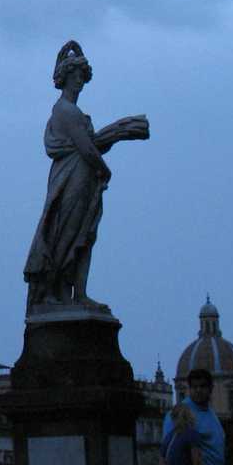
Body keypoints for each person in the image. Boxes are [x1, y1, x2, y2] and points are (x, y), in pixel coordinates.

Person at [23, 41, 149, 310]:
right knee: (65, 235)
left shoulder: (74, 112)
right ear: (65, 77)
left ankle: (78, 294)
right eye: (75, 76)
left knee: (84, 236)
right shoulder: (65, 111)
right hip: (71, 179)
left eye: (82, 76)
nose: (79, 81)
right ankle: (53, 294)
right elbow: (87, 148)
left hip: (83, 178)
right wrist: (104, 168)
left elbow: (90, 147)